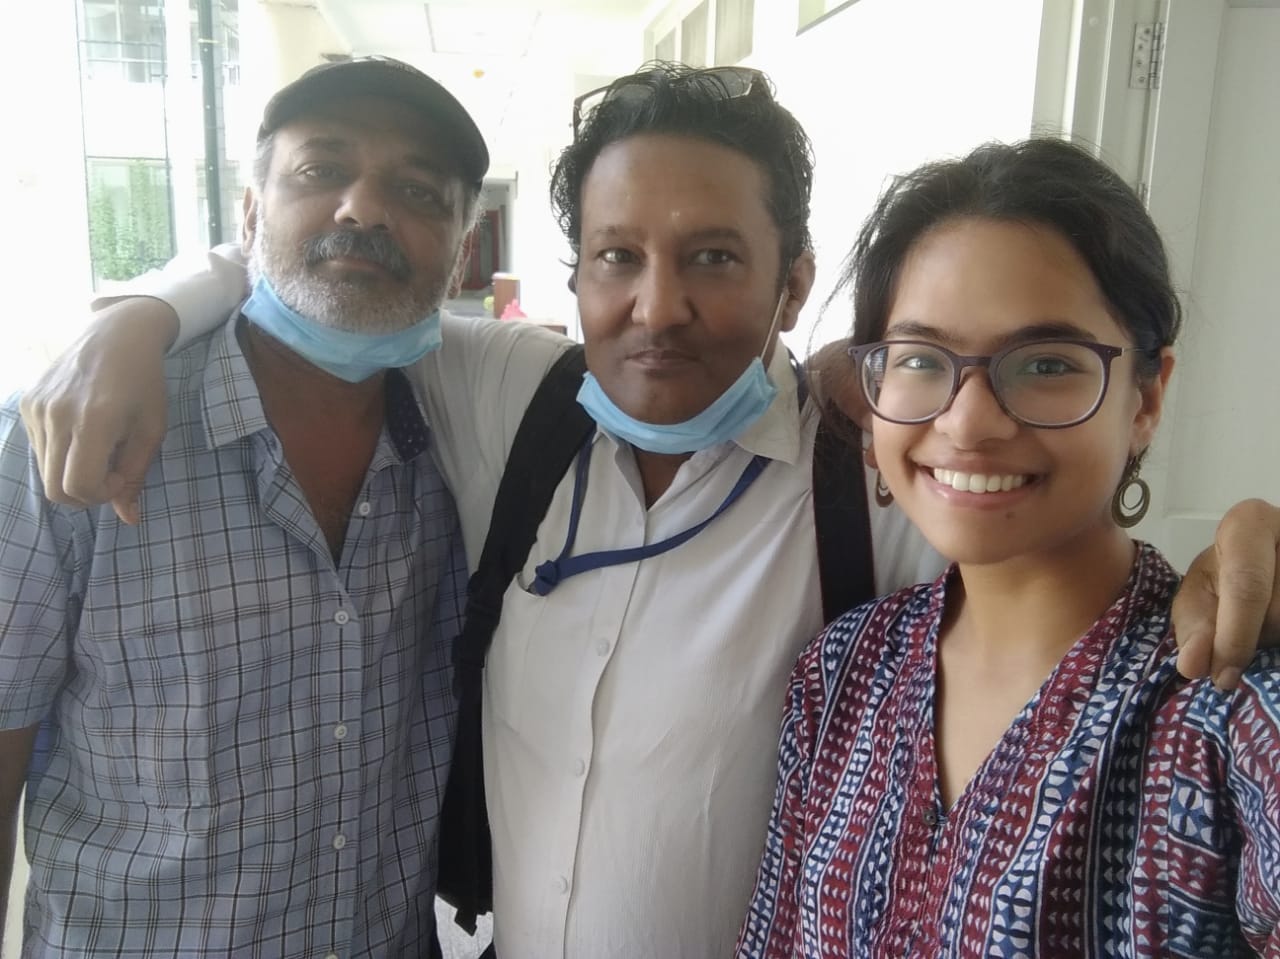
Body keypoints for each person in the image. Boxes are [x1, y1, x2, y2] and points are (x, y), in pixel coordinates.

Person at [13, 65, 1280, 957]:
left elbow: (1035, 533)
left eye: (715, 259)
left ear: (792, 286)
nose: (656, 306)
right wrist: (136, 313)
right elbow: (338, 261)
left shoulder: (874, 480)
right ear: (568, 281)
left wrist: (1238, 550)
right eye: (616, 256)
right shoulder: (512, 399)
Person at [736, 139, 1279, 958]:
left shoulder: (1229, 705)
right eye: (921, 358)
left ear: (1146, 397)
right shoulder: (842, 670)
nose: (969, 420)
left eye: (1047, 363)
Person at [0, 57, 492, 956]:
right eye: (320, 170)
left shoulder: (468, 440)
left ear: (460, 250)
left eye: (418, 190)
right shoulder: (74, 437)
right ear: (249, 214)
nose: (363, 209)